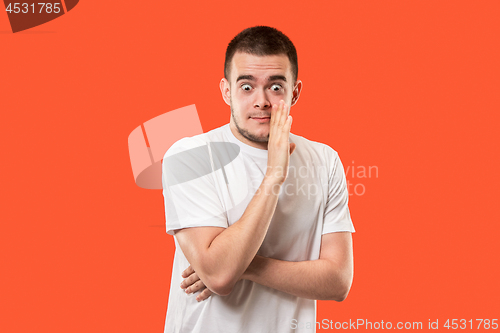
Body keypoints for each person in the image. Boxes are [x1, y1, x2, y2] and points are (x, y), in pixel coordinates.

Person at [161, 26, 355, 333]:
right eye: (247, 86)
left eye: (275, 87)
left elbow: (338, 281)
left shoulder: (325, 160)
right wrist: (275, 174)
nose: (262, 101)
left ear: (295, 91)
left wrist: (244, 265)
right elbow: (221, 277)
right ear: (226, 91)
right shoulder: (190, 156)